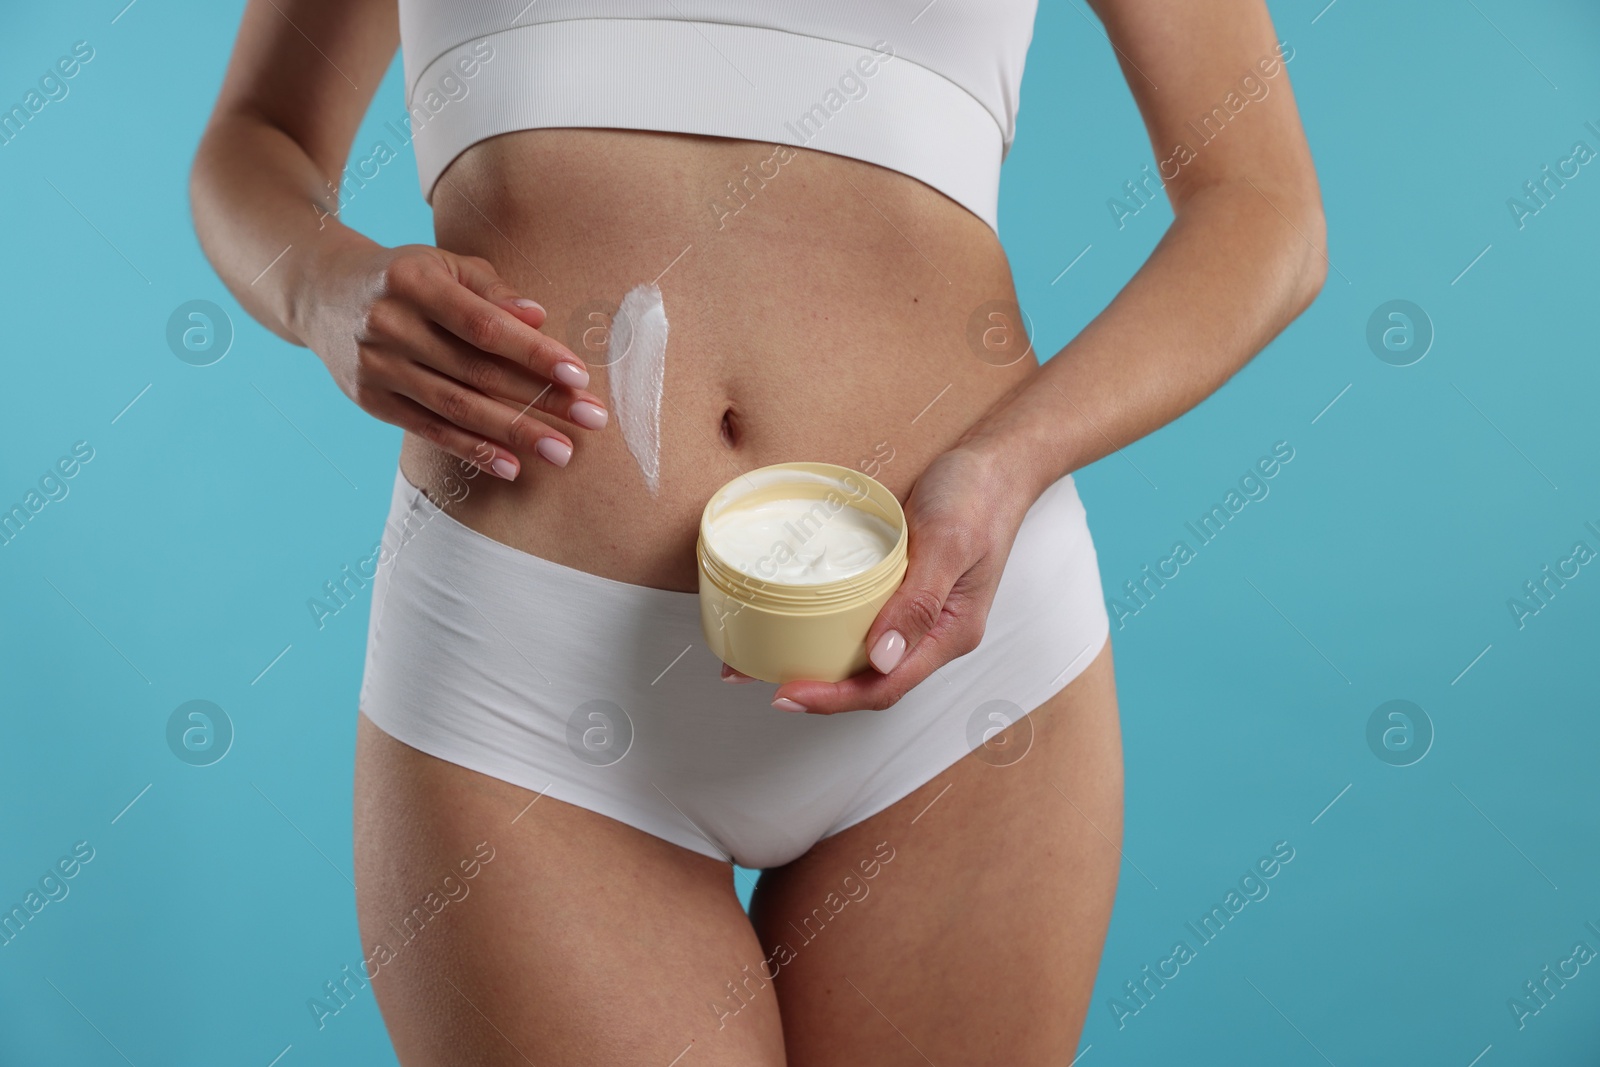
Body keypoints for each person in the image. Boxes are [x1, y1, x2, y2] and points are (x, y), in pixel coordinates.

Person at [190, 1, 1323, 1062]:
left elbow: (1264, 206)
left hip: (949, 651)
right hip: (521, 673)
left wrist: (1006, 461)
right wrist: (320, 288)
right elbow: (259, 134)